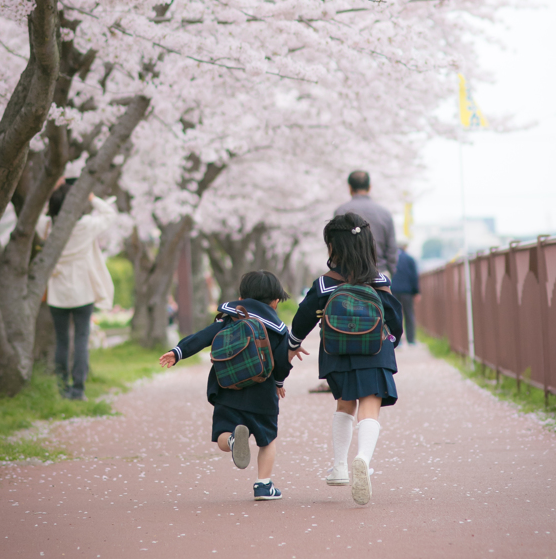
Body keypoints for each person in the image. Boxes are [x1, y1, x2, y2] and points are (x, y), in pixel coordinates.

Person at [288, 213, 402, 506]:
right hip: (374, 352)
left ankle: (339, 467)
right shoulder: (380, 281)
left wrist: (293, 344)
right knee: (370, 406)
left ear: (333, 247)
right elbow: (395, 319)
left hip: (336, 353)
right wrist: (393, 342)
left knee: (344, 405)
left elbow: (303, 318)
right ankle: (362, 459)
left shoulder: (326, 284)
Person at [159, 271, 292, 501]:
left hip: (227, 389)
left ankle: (232, 440)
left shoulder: (230, 317)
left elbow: (203, 337)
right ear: (275, 300)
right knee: (267, 440)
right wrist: (278, 382)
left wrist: (178, 352)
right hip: (262, 393)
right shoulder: (278, 328)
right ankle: (263, 485)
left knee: (222, 432)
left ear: (242, 296)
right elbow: (281, 363)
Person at [43, 181, 116, 400]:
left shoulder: (48, 226)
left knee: (62, 341)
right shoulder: (85, 225)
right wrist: (91, 196)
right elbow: (109, 215)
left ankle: (62, 387)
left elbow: (37, 217)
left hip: (57, 294)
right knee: (81, 340)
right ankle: (79, 390)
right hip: (83, 291)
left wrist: (52, 191)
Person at [334, 170, 398, 276]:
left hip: (348, 274)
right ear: (370, 187)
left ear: (350, 188)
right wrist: (389, 272)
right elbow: (392, 249)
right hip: (379, 272)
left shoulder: (341, 211)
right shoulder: (385, 213)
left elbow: (336, 246)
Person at [391, 243, 420, 345]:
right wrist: (416, 292)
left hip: (393, 290)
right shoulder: (410, 259)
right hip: (407, 291)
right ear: (405, 247)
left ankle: (397, 341)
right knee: (409, 315)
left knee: (395, 315)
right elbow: (414, 277)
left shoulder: (392, 259)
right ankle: (411, 340)